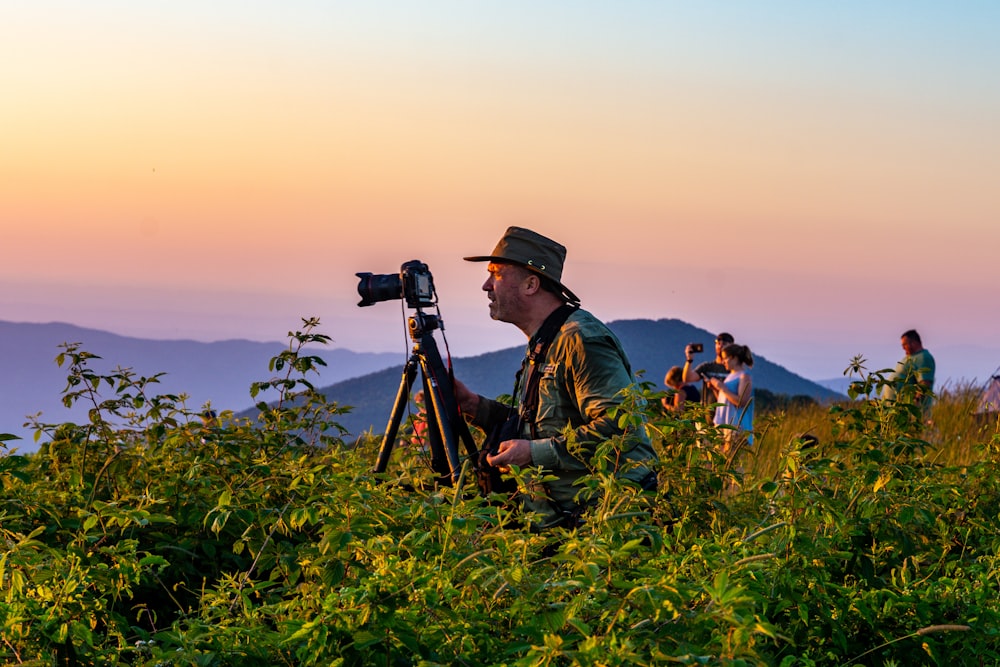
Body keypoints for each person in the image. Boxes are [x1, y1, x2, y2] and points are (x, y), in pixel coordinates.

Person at [453, 226, 658, 529]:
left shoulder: (581, 340)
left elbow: (620, 427)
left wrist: (533, 454)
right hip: (567, 524)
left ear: (531, 284)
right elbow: (543, 424)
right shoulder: (546, 341)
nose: (486, 285)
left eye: (496, 274)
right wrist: (472, 405)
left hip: (606, 527)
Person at [703, 343, 754, 452]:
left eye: (725, 358)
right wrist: (715, 389)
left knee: (733, 464)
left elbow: (741, 402)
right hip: (723, 425)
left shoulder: (744, 376)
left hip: (736, 427)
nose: (723, 362)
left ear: (734, 358)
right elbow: (726, 402)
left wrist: (721, 387)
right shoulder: (730, 376)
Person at [881, 329, 936, 415]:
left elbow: (924, 383)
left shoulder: (923, 357)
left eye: (905, 344)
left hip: (906, 410)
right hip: (894, 409)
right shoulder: (909, 358)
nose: (903, 348)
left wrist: (915, 402)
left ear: (914, 343)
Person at [682, 332, 735, 417]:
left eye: (724, 344)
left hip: (727, 417)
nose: (720, 346)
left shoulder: (734, 370)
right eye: (718, 344)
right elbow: (687, 378)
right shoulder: (707, 367)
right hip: (706, 417)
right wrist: (689, 359)